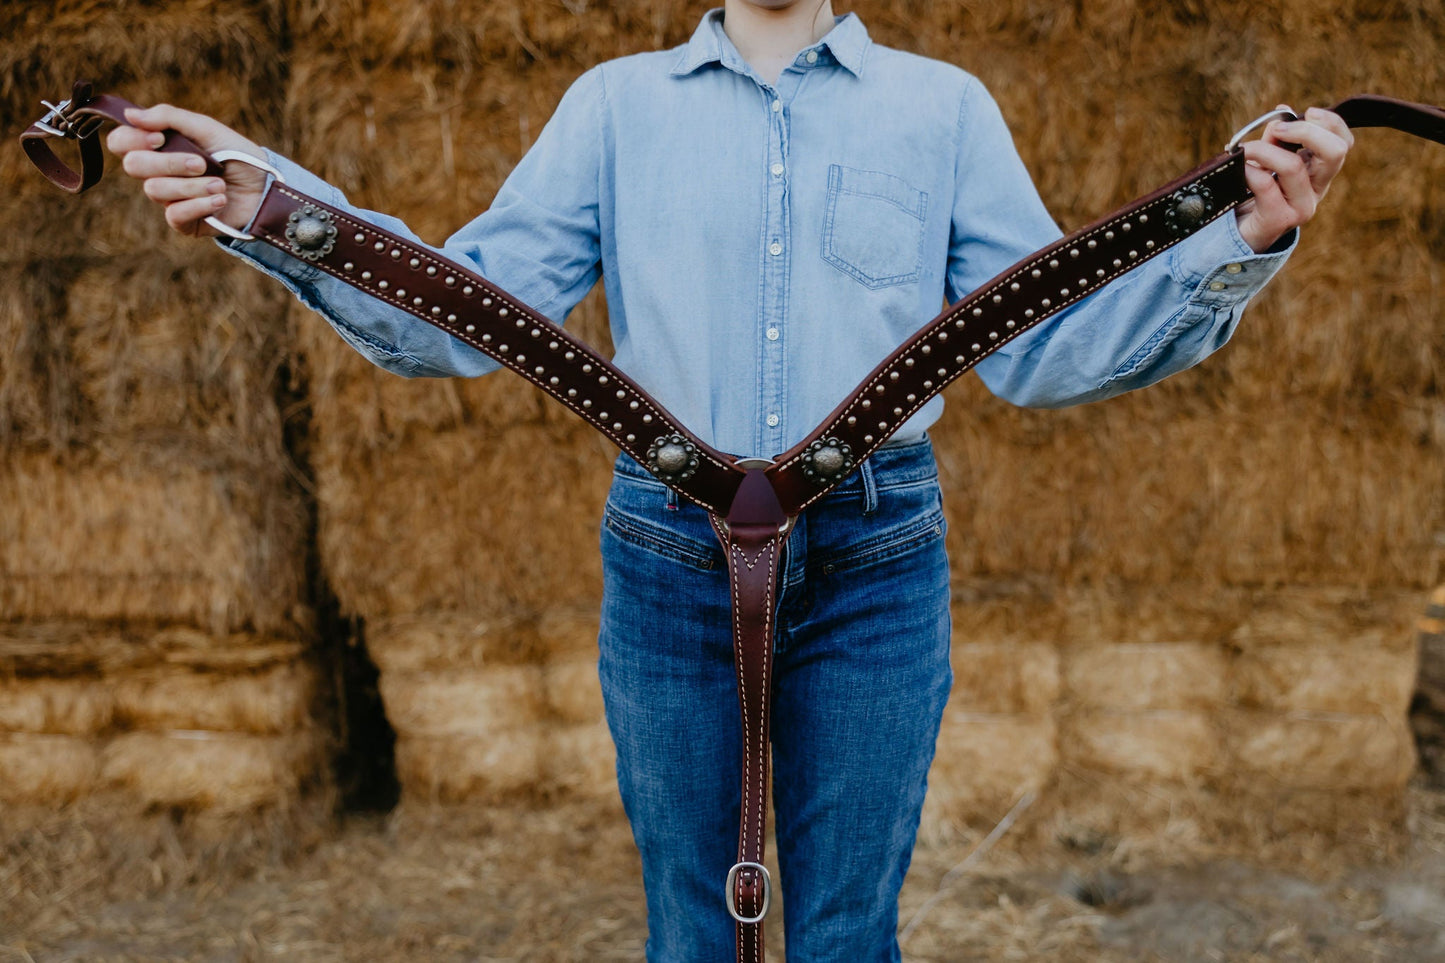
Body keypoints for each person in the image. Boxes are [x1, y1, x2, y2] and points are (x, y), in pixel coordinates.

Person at [106, 1, 1353, 959]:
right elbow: (456, 320)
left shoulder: (943, 110)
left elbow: (1036, 351)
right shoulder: (611, 107)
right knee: (693, 933)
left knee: (845, 934)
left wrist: (1241, 237)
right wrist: (269, 200)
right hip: (667, 559)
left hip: (875, 559)